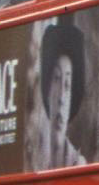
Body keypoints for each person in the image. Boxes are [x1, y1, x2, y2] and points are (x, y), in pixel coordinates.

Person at [31, 17, 87, 170]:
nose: (62, 98)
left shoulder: (78, 165)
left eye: (68, 85)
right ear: (46, 88)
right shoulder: (32, 160)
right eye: (56, 79)